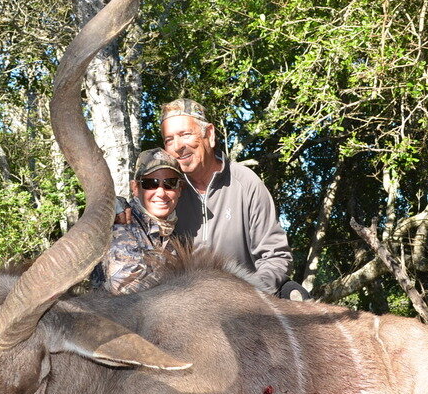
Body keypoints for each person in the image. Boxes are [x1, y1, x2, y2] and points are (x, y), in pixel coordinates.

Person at [159, 98, 308, 300]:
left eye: (185, 134)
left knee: (298, 297)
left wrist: (250, 292)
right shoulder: (167, 189)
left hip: (244, 300)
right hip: (186, 304)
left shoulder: (246, 183)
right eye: (169, 140)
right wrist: (118, 211)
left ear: (209, 134)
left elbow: (275, 256)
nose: (178, 146)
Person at [91, 149, 183, 294]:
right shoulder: (120, 225)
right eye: (150, 183)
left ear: (179, 190)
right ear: (135, 188)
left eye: (170, 183)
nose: (161, 192)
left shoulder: (173, 235)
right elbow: (127, 294)